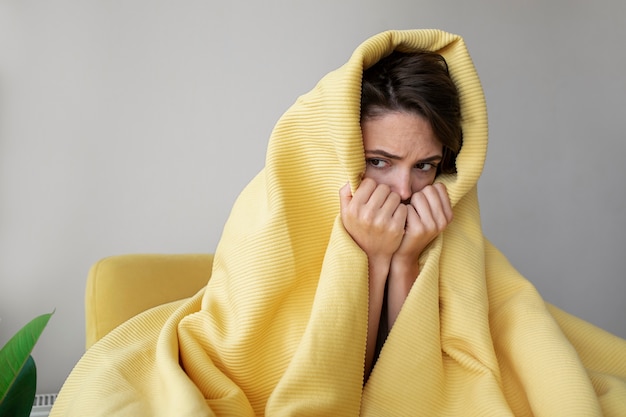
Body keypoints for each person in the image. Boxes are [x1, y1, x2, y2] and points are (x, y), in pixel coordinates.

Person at [51, 29, 626, 416]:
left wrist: (400, 263)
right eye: (379, 163)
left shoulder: (442, 226)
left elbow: (402, 386)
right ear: (337, 153)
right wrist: (367, 260)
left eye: (424, 166)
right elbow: (317, 382)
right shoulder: (269, 214)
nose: (404, 191)